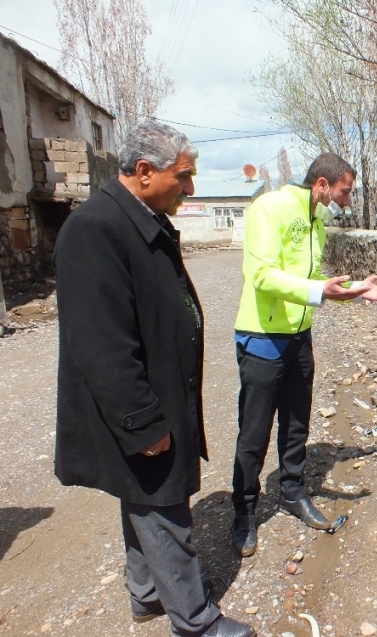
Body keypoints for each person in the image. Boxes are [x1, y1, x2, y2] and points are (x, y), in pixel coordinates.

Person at [53, 121, 255, 637]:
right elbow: (101, 345)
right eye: (183, 176)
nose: (189, 187)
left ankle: (145, 594)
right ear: (144, 172)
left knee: (141, 493)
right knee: (164, 507)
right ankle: (196, 622)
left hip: (160, 391)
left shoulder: (136, 216)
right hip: (140, 403)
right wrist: (142, 422)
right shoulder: (94, 229)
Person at [231, 152, 377, 556]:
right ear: (322, 184)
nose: (347, 197)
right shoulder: (269, 208)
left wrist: (354, 290)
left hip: (299, 337)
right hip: (263, 335)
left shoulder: (318, 222)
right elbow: (263, 276)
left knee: (297, 424)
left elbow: (314, 286)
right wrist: (320, 290)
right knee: (254, 433)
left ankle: (291, 492)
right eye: (345, 189)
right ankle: (244, 510)